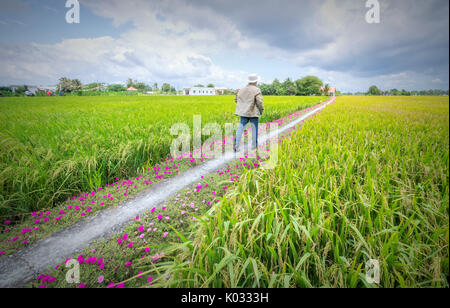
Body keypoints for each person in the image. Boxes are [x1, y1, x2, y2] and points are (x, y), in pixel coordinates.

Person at [234, 74, 264, 152]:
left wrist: (243, 107)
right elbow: (259, 102)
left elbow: (236, 100)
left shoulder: (241, 90)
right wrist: (261, 110)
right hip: (253, 113)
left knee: (240, 128)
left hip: (243, 113)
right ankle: (254, 147)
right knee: (254, 130)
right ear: (255, 81)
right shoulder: (257, 90)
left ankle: (236, 146)